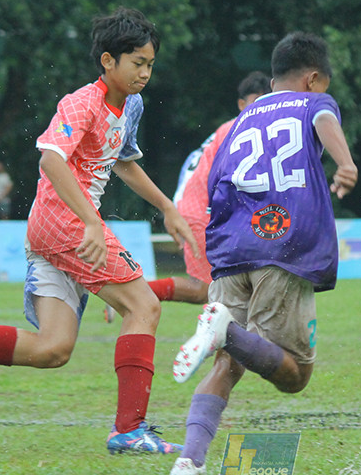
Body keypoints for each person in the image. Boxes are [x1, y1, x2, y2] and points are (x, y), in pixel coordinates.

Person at [0, 7, 198, 456]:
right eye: (137, 63)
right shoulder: (82, 102)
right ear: (108, 61)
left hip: (53, 229)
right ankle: (129, 429)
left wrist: (167, 206)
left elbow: (124, 163)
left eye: (150, 64)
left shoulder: (131, 104)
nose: (145, 73)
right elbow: (50, 159)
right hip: (65, 222)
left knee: (52, 349)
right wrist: (91, 220)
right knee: (143, 305)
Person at [167, 31, 358, 475]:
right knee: (295, 377)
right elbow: (325, 122)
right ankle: (225, 332)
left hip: (232, 248)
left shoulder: (240, 120)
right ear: (313, 79)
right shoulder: (313, 103)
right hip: (282, 247)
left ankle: (189, 458)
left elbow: (217, 184)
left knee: (227, 367)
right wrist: (345, 163)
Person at [103, 71, 270, 322]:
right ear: (241, 104)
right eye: (255, 102)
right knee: (205, 289)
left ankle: (132, 295)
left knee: (219, 289)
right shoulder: (241, 128)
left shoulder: (228, 128)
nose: (260, 110)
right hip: (203, 211)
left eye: (265, 103)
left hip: (195, 206)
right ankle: (129, 295)